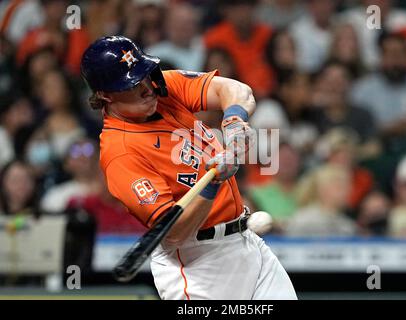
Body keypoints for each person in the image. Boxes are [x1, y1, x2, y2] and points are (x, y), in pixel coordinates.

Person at [80, 36, 296, 300]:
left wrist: (234, 120)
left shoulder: (163, 89)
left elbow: (236, 90)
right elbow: (173, 234)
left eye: (144, 75)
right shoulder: (120, 153)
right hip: (197, 266)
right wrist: (212, 183)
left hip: (247, 241)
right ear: (105, 95)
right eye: (133, 84)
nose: (147, 87)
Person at [203, 0, 274, 98]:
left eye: (246, 6)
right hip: (226, 97)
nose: (242, 13)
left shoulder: (268, 35)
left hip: (265, 98)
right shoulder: (214, 38)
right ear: (226, 11)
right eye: (236, 7)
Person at [283, 164, 357, 237]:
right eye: (339, 187)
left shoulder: (346, 225)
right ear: (323, 190)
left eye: (347, 186)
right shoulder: (304, 220)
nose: (347, 191)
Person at [146, 3, 205, 71]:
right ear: (168, 26)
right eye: (180, 24)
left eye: (189, 23)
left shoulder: (205, 50)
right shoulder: (153, 55)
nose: (185, 28)